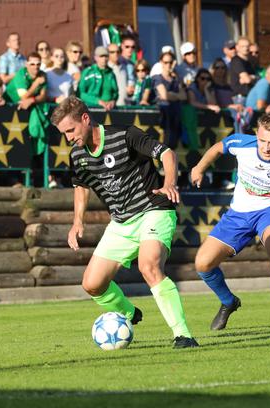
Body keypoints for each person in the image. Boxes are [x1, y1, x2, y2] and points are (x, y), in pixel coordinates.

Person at [50, 96, 199, 349]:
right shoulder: (77, 155)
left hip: (154, 209)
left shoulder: (125, 135)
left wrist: (169, 183)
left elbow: (167, 154)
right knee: (92, 284)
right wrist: (77, 222)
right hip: (121, 222)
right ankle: (129, 314)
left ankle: (183, 335)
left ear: (85, 118)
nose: (68, 138)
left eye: (71, 130)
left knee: (149, 265)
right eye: (63, 133)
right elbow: (81, 186)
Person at [190, 111, 270, 331]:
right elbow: (218, 148)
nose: (266, 147)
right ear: (256, 134)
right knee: (202, 264)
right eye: (262, 140)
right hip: (238, 214)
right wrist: (199, 168)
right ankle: (229, 302)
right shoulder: (241, 143)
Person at [153, 50, 186, 148]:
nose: (168, 65)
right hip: (163, 118)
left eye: (171, 62)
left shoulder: (177, 79)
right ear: (161, 63)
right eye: (165, 62)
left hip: (176, 117)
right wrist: (176, 96)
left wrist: (171, 95)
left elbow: (184, 96)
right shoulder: (157, 78)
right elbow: (164, 95)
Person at [78, 46, 117, 111]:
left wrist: (112, 101)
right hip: (91, 109)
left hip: (109, 110)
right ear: (95, 57)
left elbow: (115, 93)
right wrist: (98, 101)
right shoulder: (88, 72)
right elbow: (81, 94)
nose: (104, 59)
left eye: (106, 56)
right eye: (101, 56)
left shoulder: (111, 73)